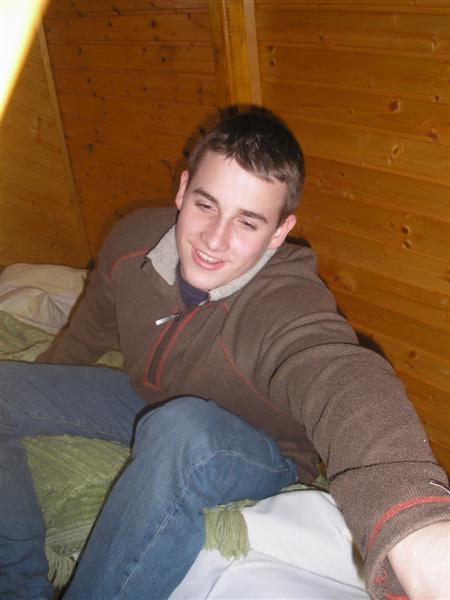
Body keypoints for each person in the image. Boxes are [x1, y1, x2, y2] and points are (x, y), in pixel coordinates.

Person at [0, 110, 449, 600]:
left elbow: (342, 375)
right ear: (182, 189)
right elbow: (91, 329)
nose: (214, 240)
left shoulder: (283, 301)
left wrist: (414, 524)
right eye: (206, 205)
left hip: (261, 447)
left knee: (182, 428)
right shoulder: (131, 242)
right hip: (147, 402)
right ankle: (19, 586)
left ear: (278, 232)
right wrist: (37, 388)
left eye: (247, 222)